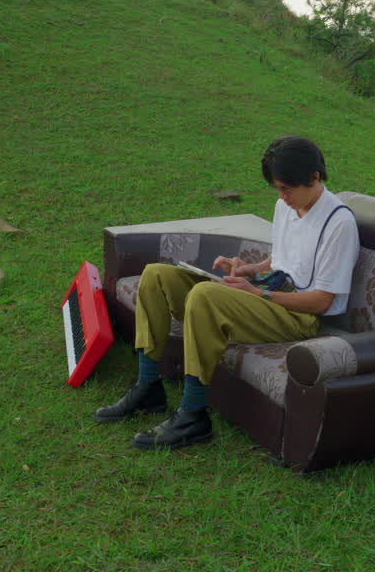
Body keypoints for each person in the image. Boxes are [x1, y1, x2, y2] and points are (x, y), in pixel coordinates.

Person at [94, 136, 360, 450]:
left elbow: (321, 301)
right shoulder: (287, 207)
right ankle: (148, 387)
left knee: (205, 296)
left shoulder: (339, 224)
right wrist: (247, 268)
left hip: (299, 316)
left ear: (315, 178)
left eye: (287, 188)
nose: (282, 196)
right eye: (277, 188)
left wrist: (257, 295)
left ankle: (193, 417)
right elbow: (281, 260)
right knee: (157, 275)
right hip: (269, 292)